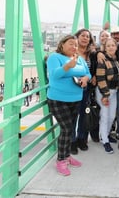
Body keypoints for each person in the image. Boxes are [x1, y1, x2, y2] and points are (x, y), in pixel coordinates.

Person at [46, 34, 91, 176]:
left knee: (70, 129)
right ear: (62, 45)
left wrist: (85, 78)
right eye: (71, 43)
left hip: (76, 99)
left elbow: (88, 73)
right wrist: (67, 66)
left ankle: (66, 156)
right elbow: (54, 75)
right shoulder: (55, 58)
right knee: (67, 128)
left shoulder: (80, 59)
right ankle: (61, 160)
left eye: (76, 45)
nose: (74, 47)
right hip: (58, 99)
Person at [70, 28, 98, 155]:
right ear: (77, 37)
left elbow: (92, 70)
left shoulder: (91, 53)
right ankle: (72, 141)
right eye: (82, 35)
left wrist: (90, 77)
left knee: (84, 114)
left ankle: (82, 139)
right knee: (73, 116)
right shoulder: (70, 52)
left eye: (88, 36)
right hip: (72, 88)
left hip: (86, 89)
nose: (85, 38)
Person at [96, 38, 119, 154]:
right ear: (105, 48)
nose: (111, 48)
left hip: (114, 92)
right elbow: (100, 78)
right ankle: (105, 141)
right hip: (104, 92)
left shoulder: (115, 60)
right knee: (105, 116)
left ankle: (106, 134)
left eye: (113, 45)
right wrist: (105, 95)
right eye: (108, 46)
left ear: (116, 47)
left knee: (112, 116)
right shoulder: (102, 60)